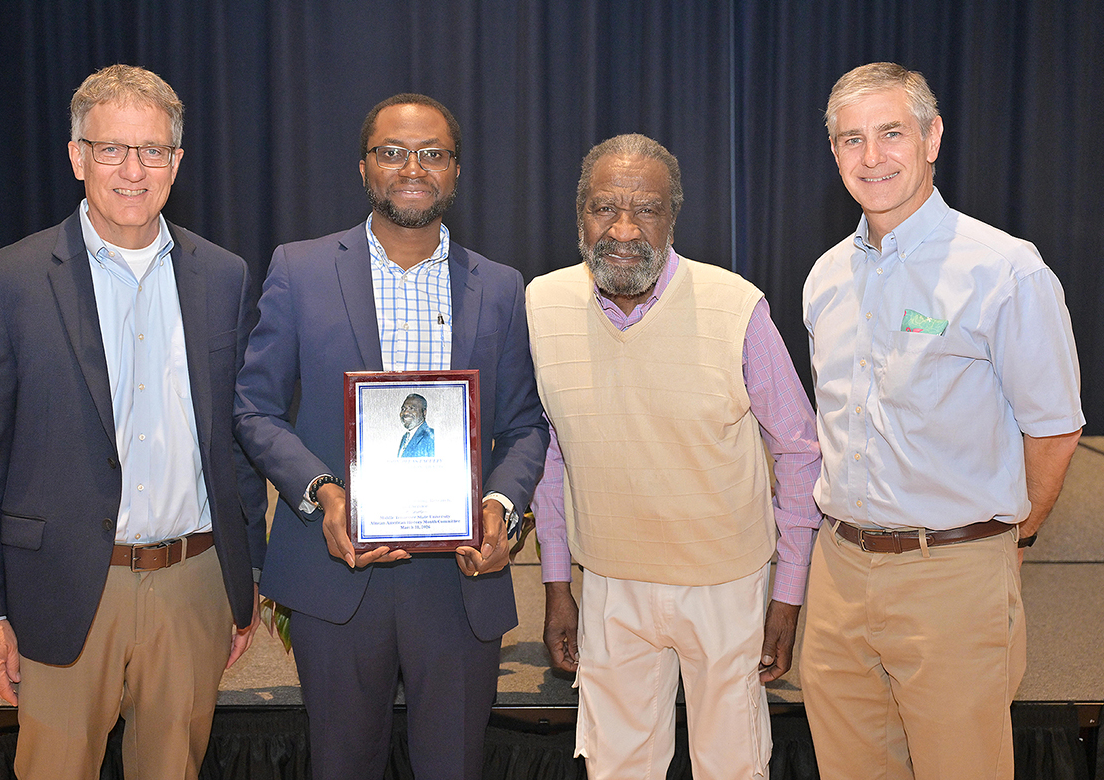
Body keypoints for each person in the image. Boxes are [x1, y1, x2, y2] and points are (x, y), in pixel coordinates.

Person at [0, 64, 267, 780]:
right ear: (76, 155)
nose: (131, 169)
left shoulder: (224, 276)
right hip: (60, 592)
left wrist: (244, 583)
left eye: (152, 150)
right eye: (110, 148)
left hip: (194, 585)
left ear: (176, 163)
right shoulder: (7, 282)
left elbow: (238, 440)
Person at [233, 93, 548, 780]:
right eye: (393, 152)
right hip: (339, 568)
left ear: (456, 172)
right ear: (364, 167)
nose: (413, 167)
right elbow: (254, 408)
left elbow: (525, 426)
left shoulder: (498, 287)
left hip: (462, 576)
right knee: (342, 766)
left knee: (455, 768)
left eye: (433, 153)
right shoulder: (300, 270)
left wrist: (500, 509)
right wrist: (322, 494)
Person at [801, 62, 1084, 780]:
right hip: (837, 574)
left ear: (932, 137)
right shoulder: (826, 277)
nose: (872, 158)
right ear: (833, 152)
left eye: (891, 133)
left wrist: (1011, 542)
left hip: (953, 576)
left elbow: (1054, 429)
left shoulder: (1005, 271)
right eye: (851, 139)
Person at [527, 133, 822, 779]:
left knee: (733, 767)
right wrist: (557, 587)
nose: (625, 229)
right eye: (605, 207)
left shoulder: (736, 306)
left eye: (648, 210)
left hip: (729, 583)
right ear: (580, 212)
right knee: (616, 767)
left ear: (673, 217)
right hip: (609, 582)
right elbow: (552, 458)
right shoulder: (542, 305)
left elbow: (800, 454)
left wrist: (788, 595)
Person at [398, 393, 435, 457]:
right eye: (403, 409)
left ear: (424, 412)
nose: (406, 412)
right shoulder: (405, 437)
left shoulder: (431, 436)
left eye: (411, 408)